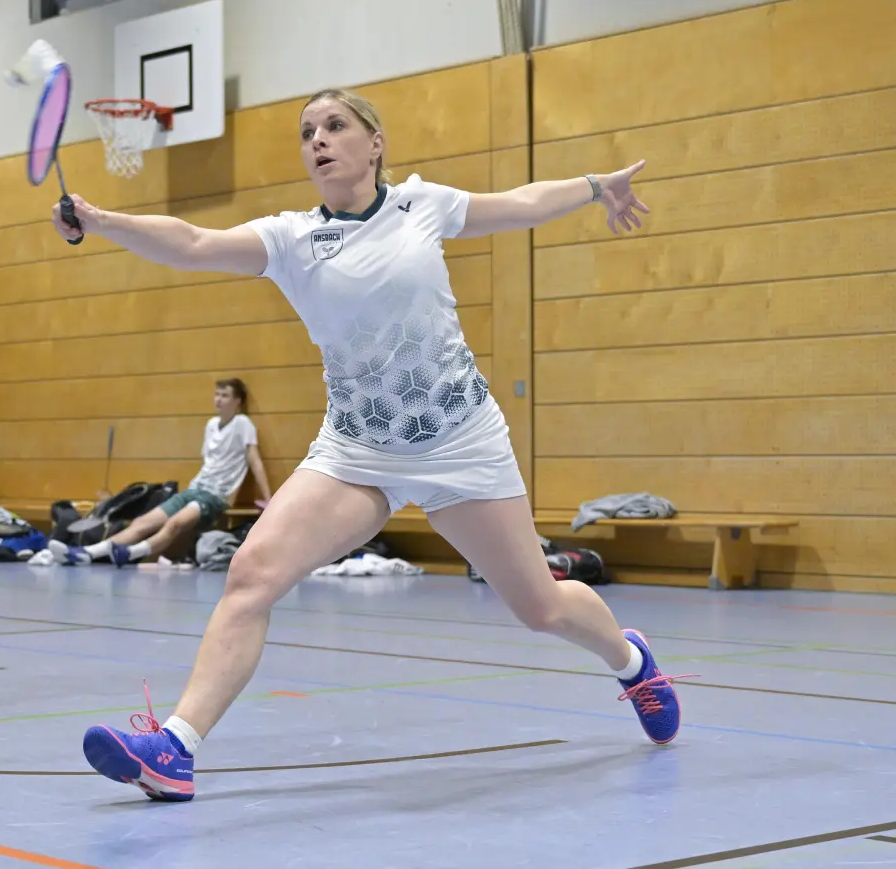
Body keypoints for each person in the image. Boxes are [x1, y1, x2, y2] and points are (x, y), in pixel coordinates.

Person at [49, 88, 682, 802]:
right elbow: (193, 244)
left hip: (460, 443)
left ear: (374, 143)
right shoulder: (290, 239)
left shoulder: (422, 205)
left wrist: (597, 187)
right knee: (252, 573)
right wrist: (102, 221)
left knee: (539, 606)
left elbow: (522, 202)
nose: (318, 140)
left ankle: (632, 663)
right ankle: (176, 748)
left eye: (335, 126)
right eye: (306, 132)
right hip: (357, 452)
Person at [49, 378, 273, 568]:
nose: (218, 399)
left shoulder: (243, 424)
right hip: (195, 489)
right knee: (142, 523)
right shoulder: (211, 425)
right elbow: (210, 461)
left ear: (237, 401)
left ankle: (131, 553)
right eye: (217, 394)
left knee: (175, 524)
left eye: (224, 395)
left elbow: (255, 461)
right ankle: (86, 553)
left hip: (215, 496)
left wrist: (269, 499)